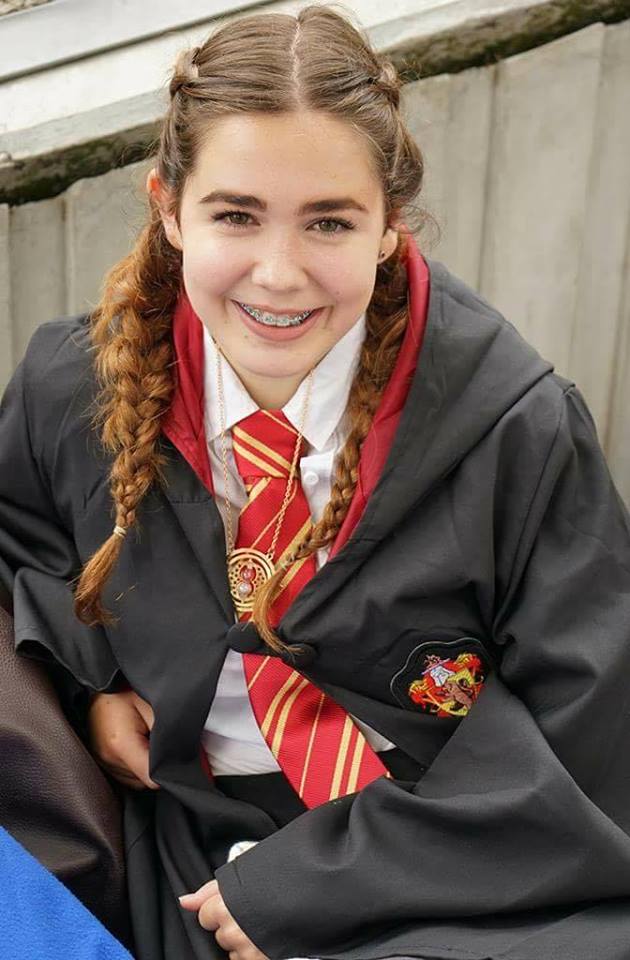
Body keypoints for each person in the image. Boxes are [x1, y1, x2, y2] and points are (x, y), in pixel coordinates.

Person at [1, 5, 630, 960]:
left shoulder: (517, 430)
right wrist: (91, 684)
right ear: (169, 208)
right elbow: (24, 540)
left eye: (329, 221)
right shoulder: (73, 388)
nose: (278, 274)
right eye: (235, 215)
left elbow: (592, 739)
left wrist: (315, 884)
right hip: (191, 834)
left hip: (448, 843)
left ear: (388, 226)